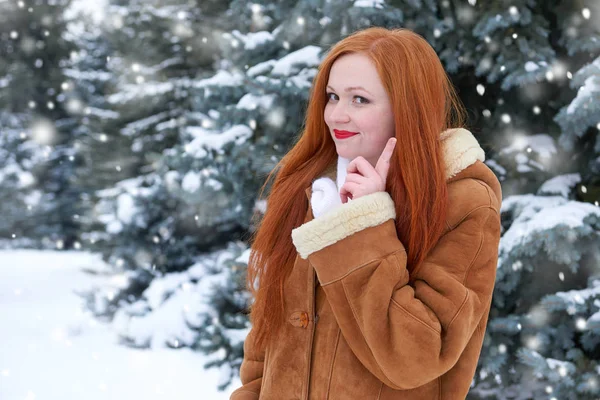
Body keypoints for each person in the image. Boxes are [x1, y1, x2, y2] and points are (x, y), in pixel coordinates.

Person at [230, 26, 502, 400]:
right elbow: (266, 340)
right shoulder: (310, 187)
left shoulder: (464, 202)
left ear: (407, 107)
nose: (337, 115)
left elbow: (413, 358)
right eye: (332, 96)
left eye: (359, 100)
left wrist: (365, 225)